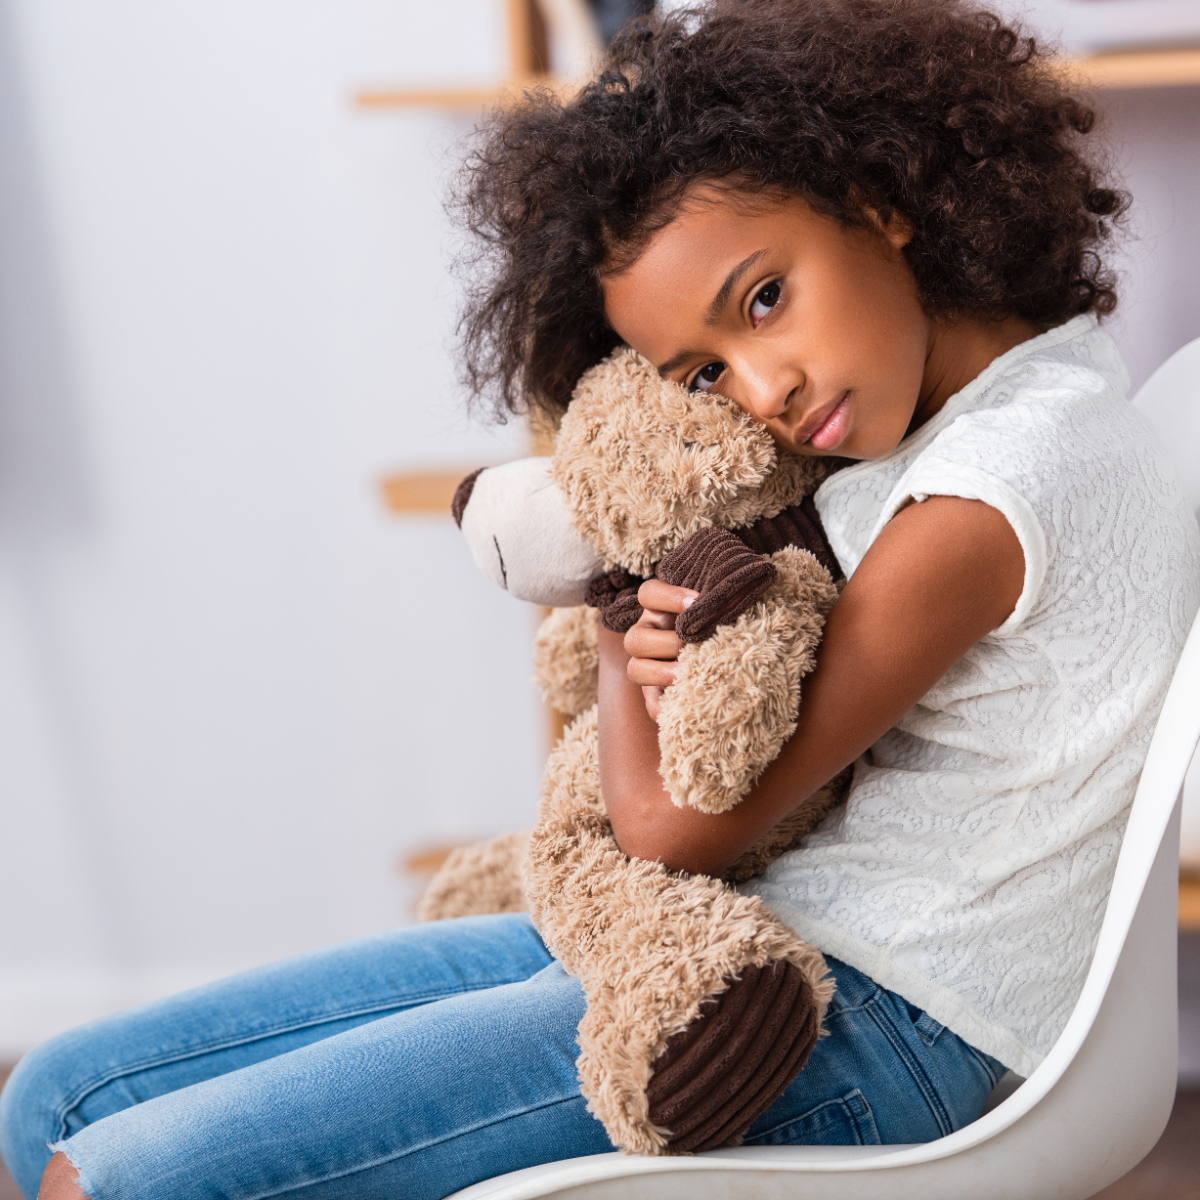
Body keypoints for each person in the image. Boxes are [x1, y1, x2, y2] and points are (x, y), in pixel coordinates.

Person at [5, 0, 1199, 1195]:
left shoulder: (985, 498)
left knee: (116, 1179)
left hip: (867, 1022)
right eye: (703, 374)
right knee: (57, 1094)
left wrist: (622, 600)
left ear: (879, 198)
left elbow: (677, 829)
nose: (762, 393)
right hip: (755, 938)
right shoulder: (988, 413)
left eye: (764, 298)